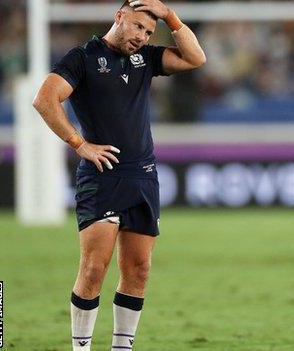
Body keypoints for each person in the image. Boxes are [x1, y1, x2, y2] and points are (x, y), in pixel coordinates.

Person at [32, 1, 206, 350]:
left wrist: (169, 15)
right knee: (95, 268)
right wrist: (79, 144)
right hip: (102, 176)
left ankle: (121, 347)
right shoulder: (81, 58)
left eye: (148, 31)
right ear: (120, 17)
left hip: (142, 177)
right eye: (138, 26)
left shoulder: (146, 60)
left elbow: (195, 58)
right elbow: (45, 100)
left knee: (139, 270)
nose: (142, 36)